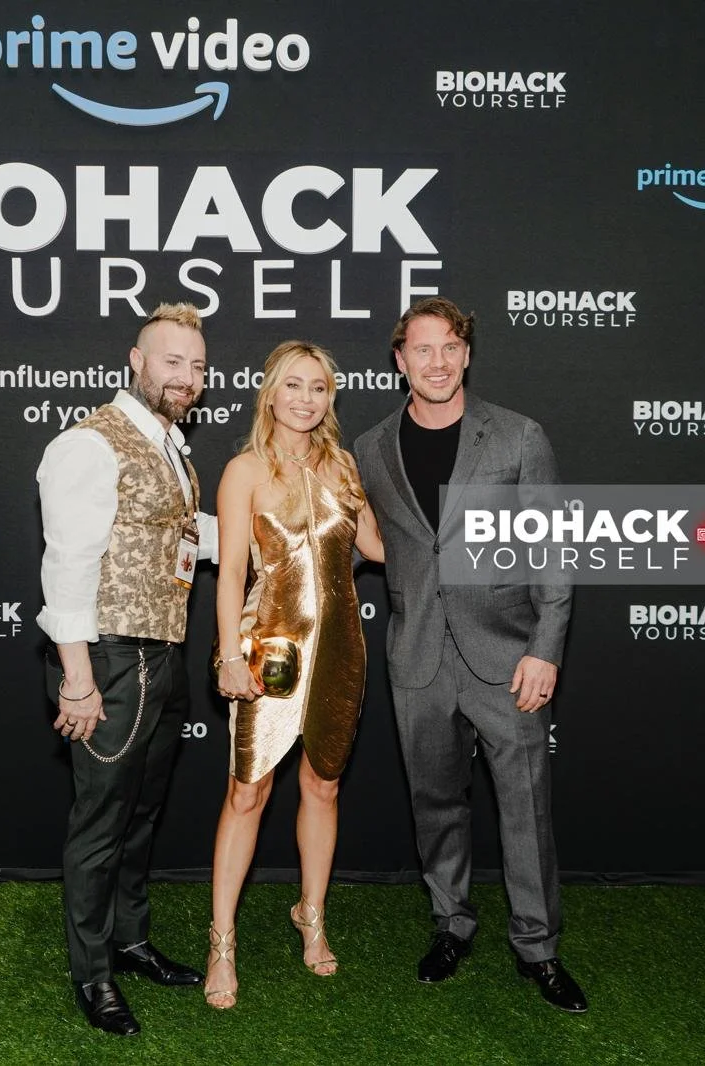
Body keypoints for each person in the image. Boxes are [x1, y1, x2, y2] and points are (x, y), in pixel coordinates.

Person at [351, 296, 588, 1013]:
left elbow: (555, 551)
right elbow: (375, 541)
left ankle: (538, 948)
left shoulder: (518, 437)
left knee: (524, 809)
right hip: (417, 656)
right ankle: (451, 924)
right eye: (422, 349)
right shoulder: (370, 449)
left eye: (450, 347)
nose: (438, 362)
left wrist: (546, 649)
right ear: (400, 361)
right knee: (435, 805)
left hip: (507, 655)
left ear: (467, 355)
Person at [35, 302, 219, 1036]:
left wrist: (274, 532)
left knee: (141, 817)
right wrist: (76, 678)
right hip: (109, 659)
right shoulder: (90, 443)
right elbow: (69, 560)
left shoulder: (170, 443)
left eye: (198, 367)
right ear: (136, 361)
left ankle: (131, 938)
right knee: (102, 824)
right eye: (172, 362)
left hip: (161, 655)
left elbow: (185, 533)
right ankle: (93, 974)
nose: (187, 378)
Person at [204, 341, 384, 1009]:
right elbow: (228, 576)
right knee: (247, 794)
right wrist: (228, 654)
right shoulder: (244, 470)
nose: (307, 399)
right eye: (295, 386)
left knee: (323, 786)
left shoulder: (343, 467)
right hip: (269, 650)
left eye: (319, 388)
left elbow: (377, 549)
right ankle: (222, 940)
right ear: (271, 394)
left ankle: (312, 914)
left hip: (341, 649)